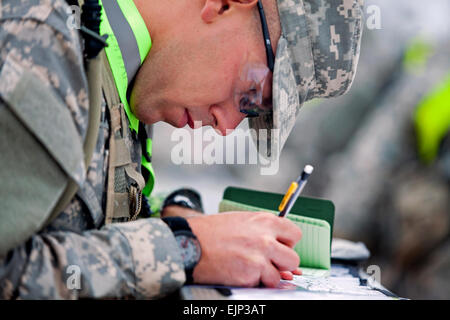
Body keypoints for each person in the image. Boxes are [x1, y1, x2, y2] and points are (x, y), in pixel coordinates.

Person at [0, 0, 363, 299]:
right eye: (251, 95)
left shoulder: (116, 68)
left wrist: (173, 219)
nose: (225, 126)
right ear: (224, 5)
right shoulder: (40, 45)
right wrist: (184, 250)